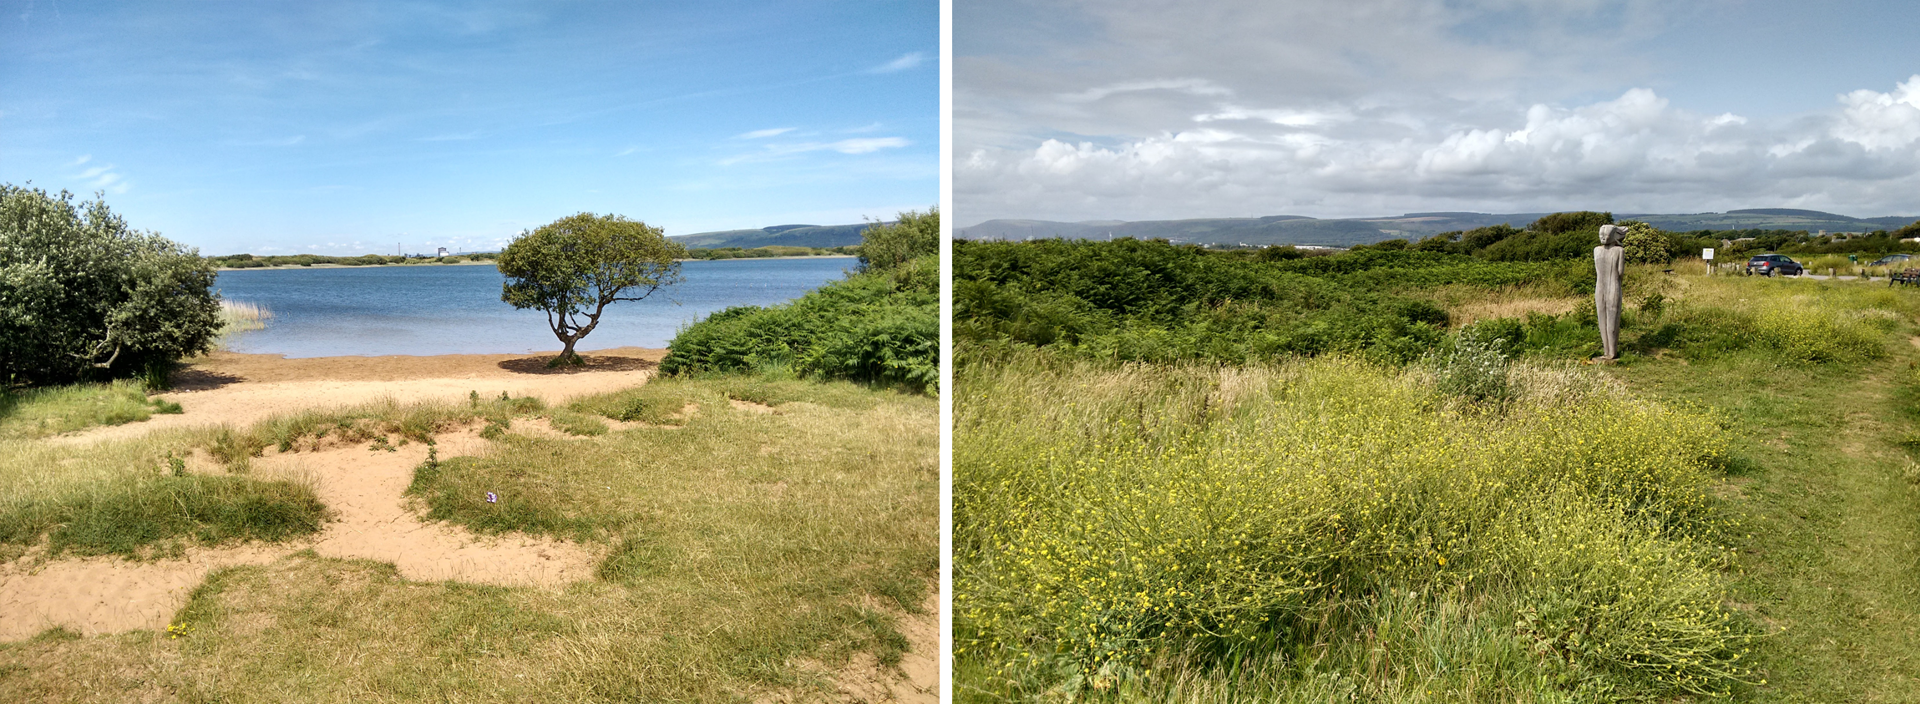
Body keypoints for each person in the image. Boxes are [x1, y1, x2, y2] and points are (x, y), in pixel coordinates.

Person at [1594, 224, 1625, 360]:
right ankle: (1611, 352)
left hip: (1599, 287)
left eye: (1605, 235)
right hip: (1613, 286)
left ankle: (1608, 351)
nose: (1603, 238)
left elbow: (1597, 271)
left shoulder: (1596, 250)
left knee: (1603, 319)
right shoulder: (1619, 251)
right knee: (1612, 319)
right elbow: (1620, 272)